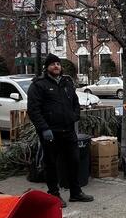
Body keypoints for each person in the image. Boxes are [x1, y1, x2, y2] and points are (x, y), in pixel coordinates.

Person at [27, 54, 93, 206]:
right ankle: (54, 193)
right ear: (47, 67)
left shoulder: (67, 83)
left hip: (68, 130)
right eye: (52, 64)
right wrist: (44, 129)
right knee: (51, 164)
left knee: (74, 160)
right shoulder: (39, 85)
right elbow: (33, 110)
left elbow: (75, 102)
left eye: (58, 63)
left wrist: (74, 116)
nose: (56, 66)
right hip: (50, 132)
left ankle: (75, 192)